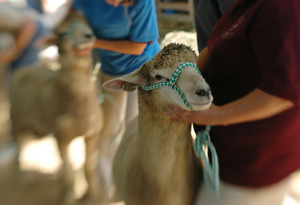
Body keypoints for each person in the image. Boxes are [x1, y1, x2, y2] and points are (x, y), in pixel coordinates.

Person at [167, 0, 300, 204]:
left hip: (254, 164)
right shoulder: (246, 6)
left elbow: (283, 90)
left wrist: (218, 115)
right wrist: (183, 77)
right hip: (229, 156)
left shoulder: (281, 9)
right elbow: (215, 49)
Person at [71, 0, 161, 201]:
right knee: (107, 134)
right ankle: (103, 193)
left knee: (137, 133)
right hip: (110, 70)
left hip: (143, 69)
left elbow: (138, 47)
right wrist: (78, 33)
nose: (113, 3)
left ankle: (135, 191)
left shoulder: (142, 2)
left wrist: (94, 42)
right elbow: (75, 15)